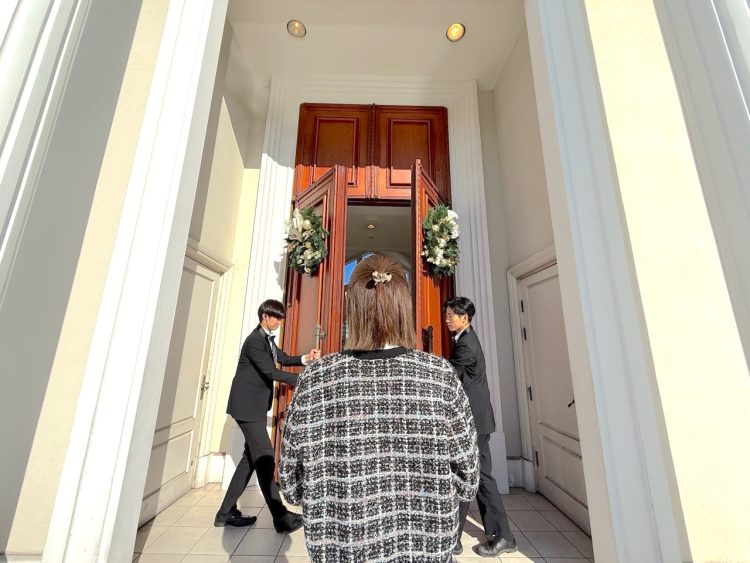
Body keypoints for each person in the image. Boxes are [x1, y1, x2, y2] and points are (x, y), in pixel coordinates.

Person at [279, 254, 479, 562]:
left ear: (352, 307)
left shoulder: (315, 378)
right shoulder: (439, 375)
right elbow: (468, 477)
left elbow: (290, 484)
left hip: (342, 546)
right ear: (404, 307)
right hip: (424, 545)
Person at [215, 299, 320, 531]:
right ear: (265, 316)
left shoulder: (267, 340)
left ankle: (225, 513)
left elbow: (283, 358)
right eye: (276, 318)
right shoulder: (254, 341)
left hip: (253, 408)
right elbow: (271, 371)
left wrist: (306, 359)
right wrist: (305, 379)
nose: (279, 322)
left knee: (250, 460)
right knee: (265, 457)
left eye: (281, 318)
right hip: (246, 408)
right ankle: (280, 517)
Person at [444, 296, 516, 557]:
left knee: (473, 475)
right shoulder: (464, 339)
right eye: (447, 314)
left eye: (451, 315)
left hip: (475, 421)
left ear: (464, 318)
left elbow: (449, 374)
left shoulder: (466, 345)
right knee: (477, 475)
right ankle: (497, 536)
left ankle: (498, 536)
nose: (447, 319)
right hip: (478, 420)